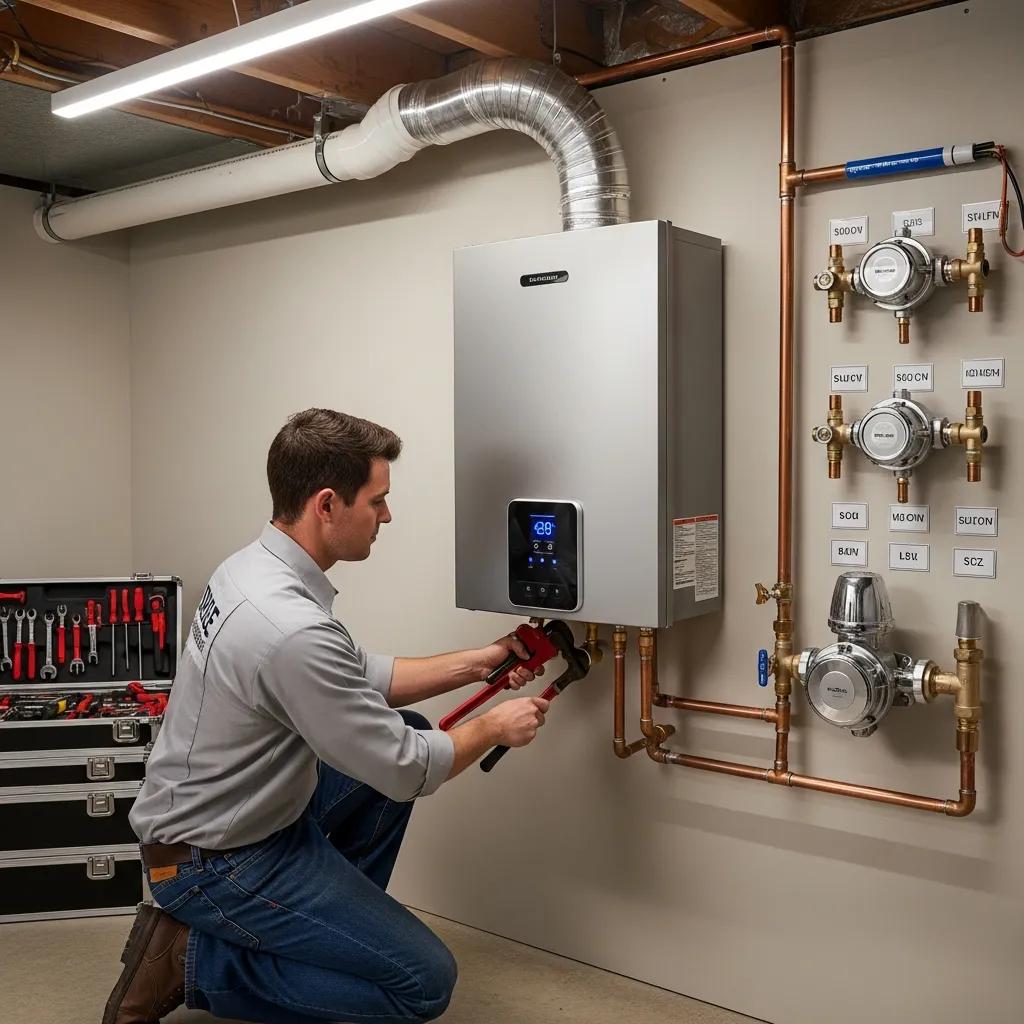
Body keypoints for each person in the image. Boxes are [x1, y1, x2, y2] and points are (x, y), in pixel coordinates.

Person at [104, 408, 549, 1024]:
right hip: (213, 860)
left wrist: (480, 663)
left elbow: (360, 676)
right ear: (327, 504)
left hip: (238, 817)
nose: (386, 516)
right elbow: (403, 770)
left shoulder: (252, 571)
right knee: (422, 984)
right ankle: (194, 959)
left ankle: (319, 938)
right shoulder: (288, 628)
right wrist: (495, 727)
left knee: (413, 728)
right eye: (378, 501)